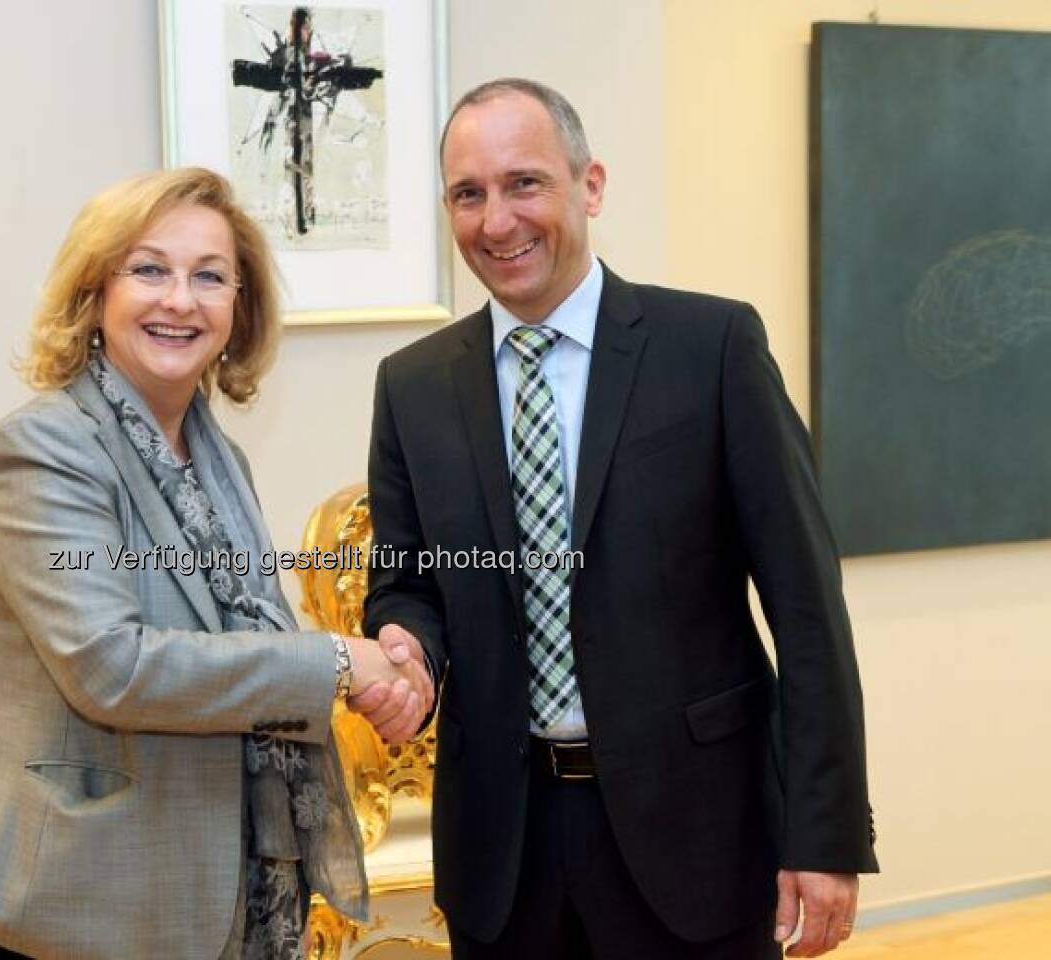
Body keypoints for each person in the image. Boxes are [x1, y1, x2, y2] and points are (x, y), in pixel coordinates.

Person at [355, 79, 878, 958]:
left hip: (696, 838)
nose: (496, 221)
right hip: (502, 850)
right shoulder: (411, 386)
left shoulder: (711, 350)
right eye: (468, 194)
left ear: (589, 186)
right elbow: (407, 585)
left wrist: (824, 836)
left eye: (525, 183)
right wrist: (407, 645)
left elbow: (807, 609)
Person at [0, 167, 431, 960]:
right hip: (73, 914)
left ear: (239, 311)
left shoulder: (216, 456)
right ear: (95, 292)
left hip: (222, 905)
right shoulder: (44, 448)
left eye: (210, 277)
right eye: (149, 269)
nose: (180, 299)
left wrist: (385, 664)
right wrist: (341, 660)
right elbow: (113, 665)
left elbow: (232, 642)